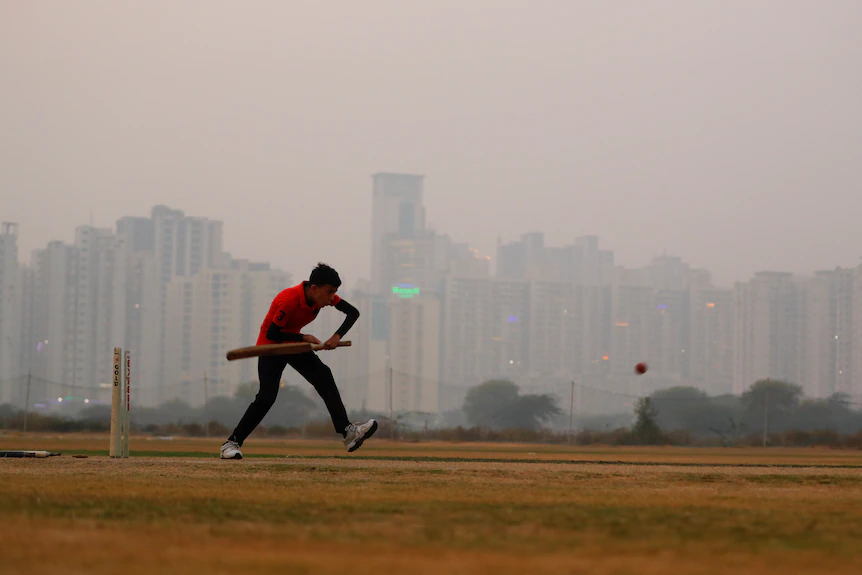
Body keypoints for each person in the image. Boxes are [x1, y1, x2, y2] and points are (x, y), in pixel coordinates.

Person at [220, 263, 377, 459]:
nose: (332, 299)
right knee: (266, 397)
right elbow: (273, 332)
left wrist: (336, 336)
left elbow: (353, 313)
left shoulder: (320, 295)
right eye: (329, 293)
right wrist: (303, 338)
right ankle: (231, 443)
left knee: (323, 376)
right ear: (314, 288)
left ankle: (347, 432)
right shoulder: (289, 299)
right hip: (272, 346)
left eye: (334, 293)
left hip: (293, 344)